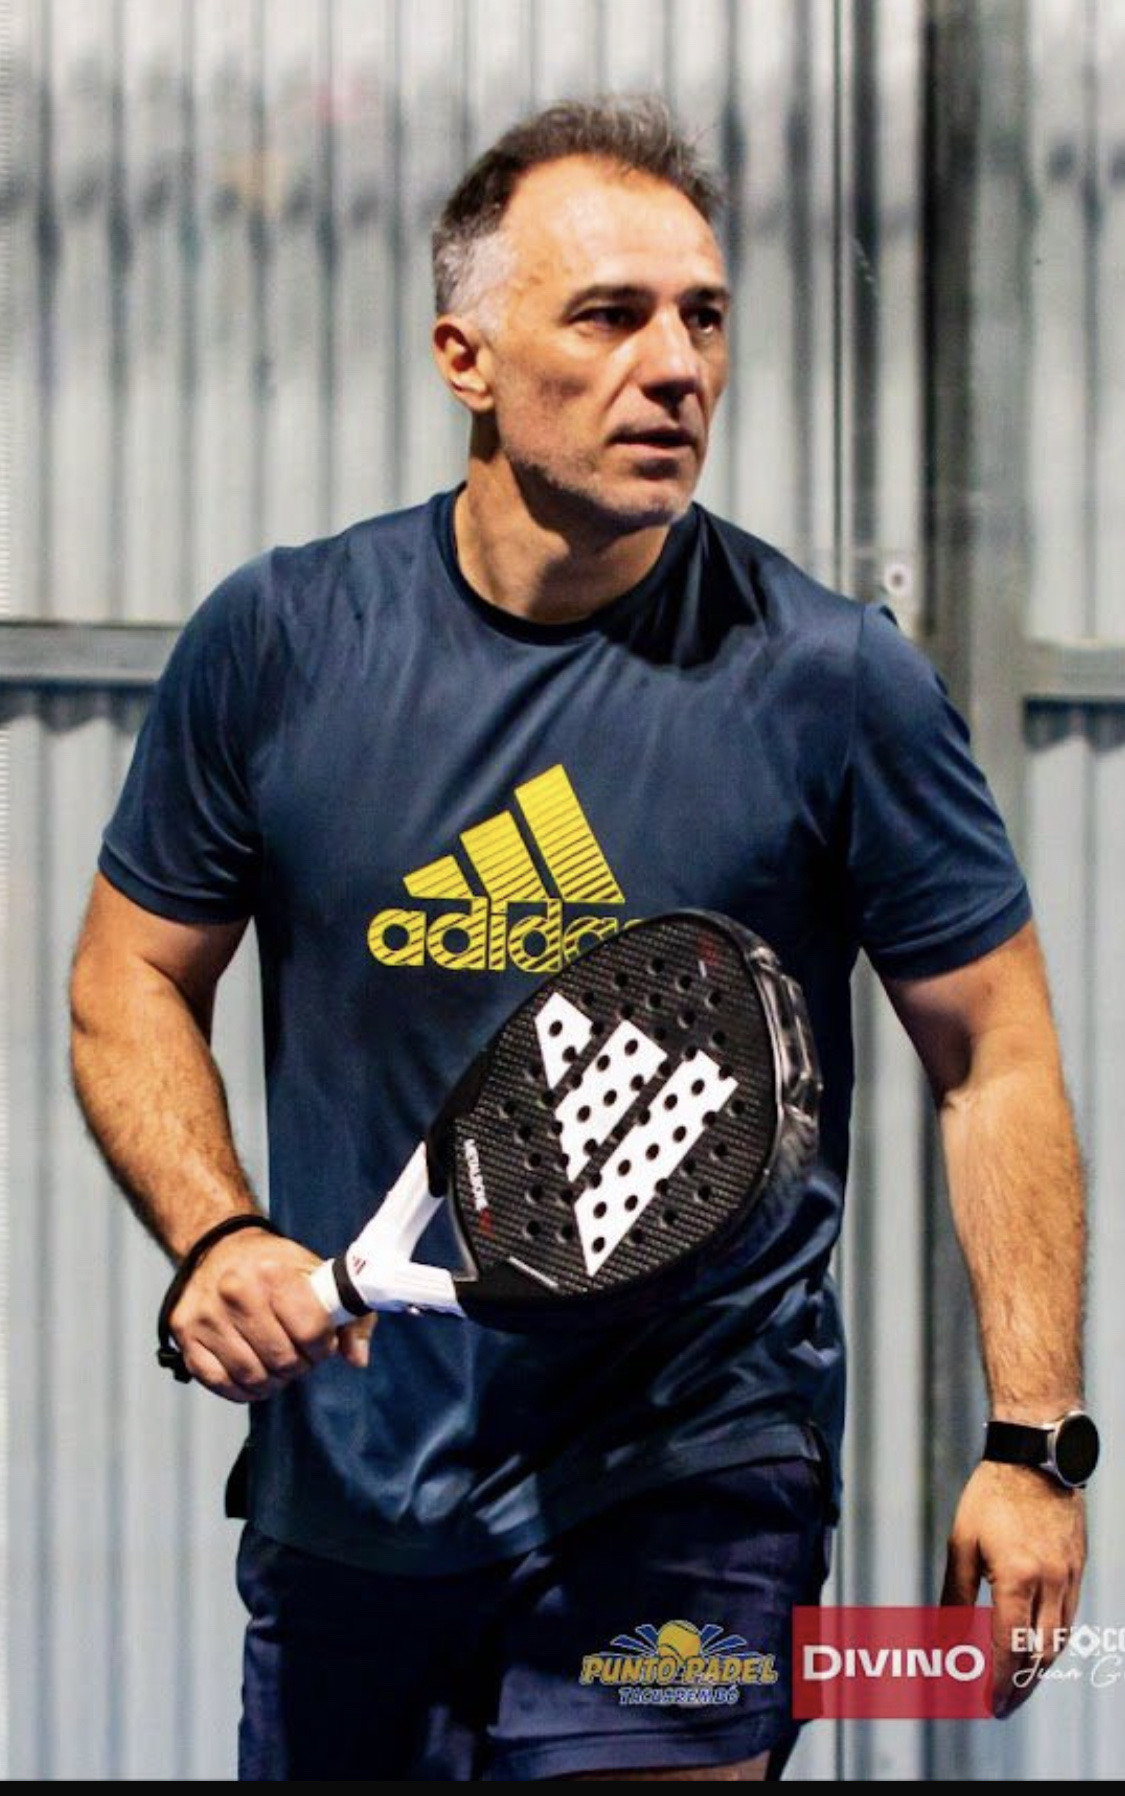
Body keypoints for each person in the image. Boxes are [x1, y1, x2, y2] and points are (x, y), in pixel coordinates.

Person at [68, 95, 1093, 1781]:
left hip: (689, 1475)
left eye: (704, 317)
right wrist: (216, 1234)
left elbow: (994, 1053)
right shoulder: (281, 641)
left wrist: (1033, 1438)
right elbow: (129, 977)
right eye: (609, 317)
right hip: (351, 1492)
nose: (675, 366)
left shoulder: (832, 680)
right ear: (463, 359)